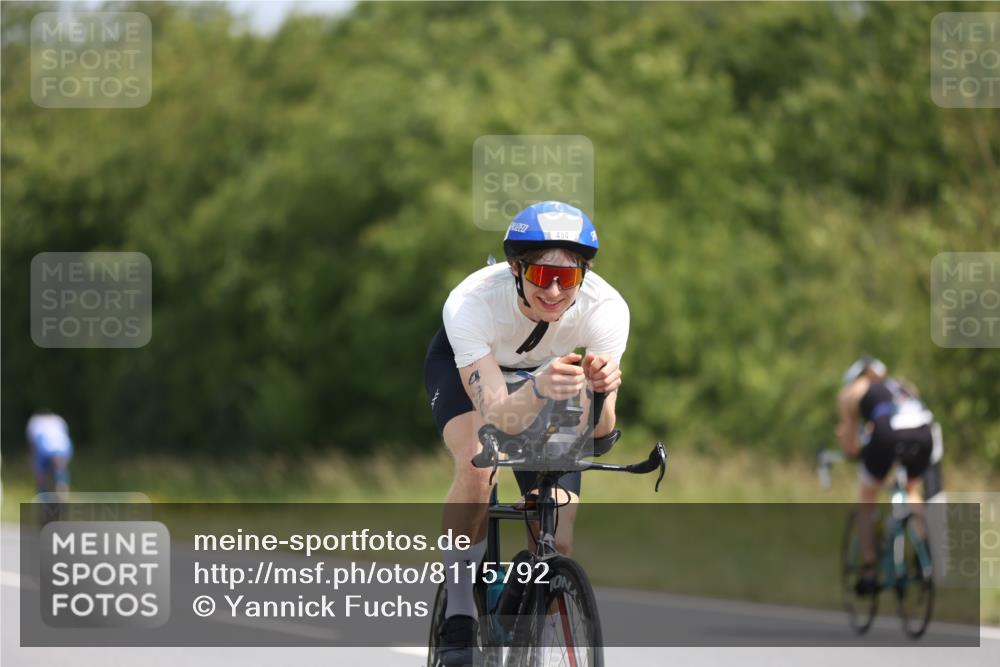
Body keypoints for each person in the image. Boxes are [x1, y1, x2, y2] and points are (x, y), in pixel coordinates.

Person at [424, 201, 628, 665]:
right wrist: (538, 388)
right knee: (478, 464)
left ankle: (528, 609)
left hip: (548, 377)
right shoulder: (471, 303)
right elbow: (497, 416)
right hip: (476, 373)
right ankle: (460, 613)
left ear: (584, 275)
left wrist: (601, 392)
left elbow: (600, 434)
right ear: (516, 268)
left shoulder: (607, 310)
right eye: (541, 276)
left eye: (567, 278)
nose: (554, 291)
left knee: (557, 529)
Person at [836, 356, 934, 594]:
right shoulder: (901, 385)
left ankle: (869, 570)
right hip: (923, 433)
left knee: (866, 499)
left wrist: (856, 452)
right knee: (911, 489)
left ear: (854, 377)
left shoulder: (852, 391)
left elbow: (850, 446)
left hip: (887, 435)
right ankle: (924, 553)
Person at [26, 410, 74, 495]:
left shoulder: (34, 422)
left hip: (47, 449)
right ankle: (52, 496)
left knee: (47, 477)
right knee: (54, 476)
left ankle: (50, 497)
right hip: (56, 449)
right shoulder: (58, 420)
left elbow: (33, 447)